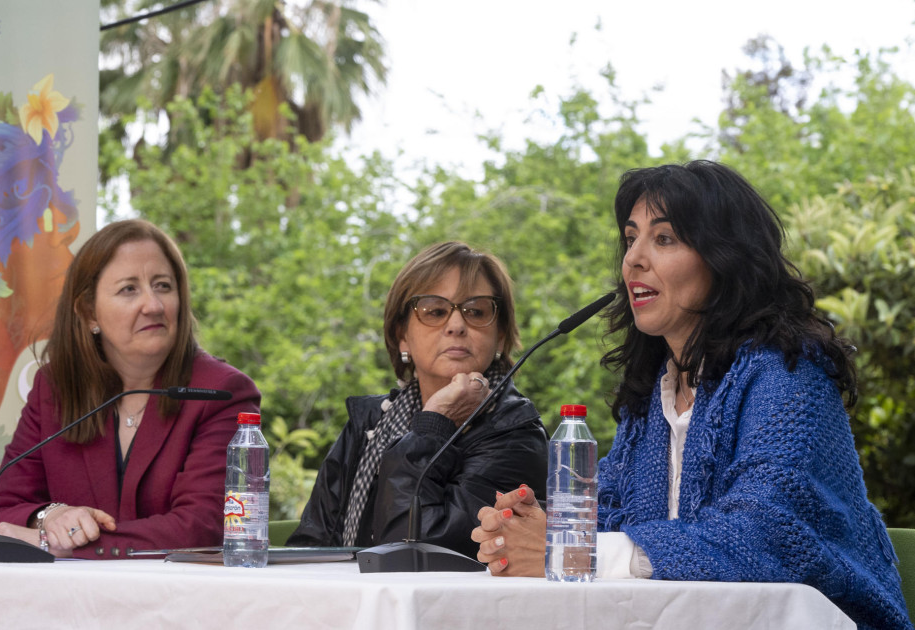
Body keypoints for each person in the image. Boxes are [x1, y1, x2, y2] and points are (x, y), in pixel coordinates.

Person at [472, 161, 912, 630]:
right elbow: (614, 514)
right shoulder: (652, 395)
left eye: (663, 239)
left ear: (725, 259)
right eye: (630, 238)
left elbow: (765, 535)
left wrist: (576, 550)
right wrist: (534, 526)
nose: (633, 259)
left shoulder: (788, 372)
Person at [0, 219, 261, 559]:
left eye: (163, 286)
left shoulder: (220, 392)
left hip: (180, 601)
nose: (154, 305)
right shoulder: (54, 388)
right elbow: (1, 512)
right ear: (88, 313)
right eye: (129, 289)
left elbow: (200, 527)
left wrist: (53, 545)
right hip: (66, 604)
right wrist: (49, 516)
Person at [288, 241, 548, 557]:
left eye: (476, 311)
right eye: (435, 311)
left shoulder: (515, 431)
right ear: (402, 336)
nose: (456, 326)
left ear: (501, 336)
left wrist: (434, 423)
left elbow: (410, 550)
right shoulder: (371, 420)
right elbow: (310, 547)